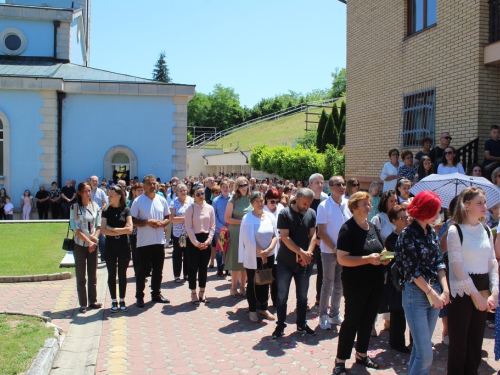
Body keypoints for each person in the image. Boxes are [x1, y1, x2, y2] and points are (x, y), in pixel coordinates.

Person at [333, 192, 390, 375]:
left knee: (367, 321)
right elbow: (342, 259)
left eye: (369, 204)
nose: (369, 207)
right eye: (365, 204)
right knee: (352, 321)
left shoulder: (371, 226)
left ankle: (362, 354)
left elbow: (380, 248)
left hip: (375, 282)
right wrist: (368, 259)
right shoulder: (347, 229)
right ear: (354, 207)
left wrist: (385, 256)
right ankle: (340, 362)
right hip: (356, 284)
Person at [394, 191, 450, 375]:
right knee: (426, 354)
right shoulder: (408, 234)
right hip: (416, 294)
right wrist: (431, 293)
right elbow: (412, 270)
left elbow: (439, 263)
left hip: (433, 291)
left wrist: (445, 290)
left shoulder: (431, 233)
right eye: (436, 211)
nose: (438, 214)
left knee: (419, 351)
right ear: (425, 210)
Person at [446, 187, 499, 375]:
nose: (484, 206)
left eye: (484, 202)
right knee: (459, 342)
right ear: (466, 205)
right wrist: (477, 296)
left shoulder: (486, 229)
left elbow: (492, 262)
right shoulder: (455, 230)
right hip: (463, 291)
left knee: (476, 341)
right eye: (479, 203)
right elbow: (459, 269)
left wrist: (494, 292)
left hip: (483, 286)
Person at [272, 188, 317, 339]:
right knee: (282, 296)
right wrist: (301, 253)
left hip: (304, 263)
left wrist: (308, 253)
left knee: (303, 296)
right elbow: (285, 237)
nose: (306, 207)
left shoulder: (311, 213)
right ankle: (280, 325)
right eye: (304, 203)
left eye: (309, 204)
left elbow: (313, 235)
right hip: (286, 262)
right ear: (296, 199)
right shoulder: (285, 214)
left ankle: (301, 324)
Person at [317, 176, 352, 331]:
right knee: (327, 284)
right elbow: (321, 232)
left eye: (343, 184)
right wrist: (335, 248)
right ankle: (323, 315)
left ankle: (334, 314)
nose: (342, 187)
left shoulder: (348, 204)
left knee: (339, 285)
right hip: (329, 252)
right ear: (330, 187)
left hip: (344, 252)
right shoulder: (324, 206)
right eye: (338, 184)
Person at [131, 174, 171, 308]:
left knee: (158, 270)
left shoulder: (162, 200)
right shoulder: (138, 201)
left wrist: (162, 223)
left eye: (154, 183)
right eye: (149, 184)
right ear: (144, 185)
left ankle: (156, 293)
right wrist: (147, 222)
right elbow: (133, 220)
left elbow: (167, 217)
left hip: (159, 241)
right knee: (142, 271)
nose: (152, 186)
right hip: (143, 242)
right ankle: (139, 296)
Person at [239, 191, 278, 322]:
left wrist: (268, 250)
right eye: (257, 201)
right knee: (253, 283)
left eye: (262, 201)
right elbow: (248, 239)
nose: (260, 204)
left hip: (269, 255)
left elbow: (275, 236)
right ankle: (252, 310)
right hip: (254, 255)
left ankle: (263, 308)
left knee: (266, 281)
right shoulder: (248, 218)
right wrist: (261, 252)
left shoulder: (270, 216)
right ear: (252, 203)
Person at [381, 205, 411, 353]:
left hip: (411, 280)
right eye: (402, 218)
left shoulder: (411, 234)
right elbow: (392, 259)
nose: (406, 220)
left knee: (413, 313)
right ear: (394, 221)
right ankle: (397, 343)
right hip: (397, 282)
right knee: (398, 313)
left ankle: (414, 342)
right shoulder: (392, 238)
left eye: (407, 217)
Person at [70, 182, 102, 314]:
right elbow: (75, 228)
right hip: (80, 245)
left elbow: (99, 225)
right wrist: (88, 241)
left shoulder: (95, 206)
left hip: (93, 244)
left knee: (93, 274)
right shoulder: (75, 208)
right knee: (81, 274)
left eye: (90, 191)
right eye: (85, 191)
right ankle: (83, 302)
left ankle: (92, 300)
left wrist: (93, 240)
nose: (88, 193)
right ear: (80, 193)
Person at [101, 185, 132, 313]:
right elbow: (103, 230)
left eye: (111, 196)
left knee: (122, 274)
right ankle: (114, 300)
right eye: (108, 195)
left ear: (119, 196)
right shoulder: (106, 210)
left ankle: (122, 299)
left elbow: (129, 229)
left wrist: (112, 229)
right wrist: (120, 231)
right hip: (110, 246)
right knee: (112, 273)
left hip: (124, 246)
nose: (108, 197)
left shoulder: (126, 210)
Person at [184, 185, 215, 304]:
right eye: (198, 194)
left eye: (202, 193)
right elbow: (188, 227)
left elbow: (212, 226)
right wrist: (196, 243)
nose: (201, 196)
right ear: (193, 196)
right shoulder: (190, 208)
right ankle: (193, 292)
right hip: (193, 240)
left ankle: (202, 291)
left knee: (203, 268)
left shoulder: (210, 208)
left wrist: (208, 240)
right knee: (193, 268)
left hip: (206, 239)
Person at [224, 177, 252, 297]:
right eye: (241, 185)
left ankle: (243, 287)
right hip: (236, 232)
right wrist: (243, 222)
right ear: (237, 187)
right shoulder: (233, 200)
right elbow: (227, 218)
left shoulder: (252, 198)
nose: (244, 187)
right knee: (236, 261)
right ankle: (233, 287)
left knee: (246, 262)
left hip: (249, 233)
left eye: (245, 185)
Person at [308, 173, 328, 306]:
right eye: (317, 183)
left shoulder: (326, 200)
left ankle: (320, 299)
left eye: (322, 182)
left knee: (322, 272)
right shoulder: (305, 200)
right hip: (308, 242)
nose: (320, 185)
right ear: (310, 185)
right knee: (306, 272)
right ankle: (304, 300)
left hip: (323, 242)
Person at [263, 188, 284, 306]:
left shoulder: (281, 209)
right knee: (265, 275)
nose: (275, 204)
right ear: (266, 200)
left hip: (279, 247)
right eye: (272, 201)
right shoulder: (262, 210)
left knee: (277, 276)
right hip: (266, 247)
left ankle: (276, 300)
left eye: (277, 201)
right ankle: (263, 301)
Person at [169, 183, 193, 283]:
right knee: (177, 254)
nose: (183, 192)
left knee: (188, 254)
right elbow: (172, 218)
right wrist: (184, 218)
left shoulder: (191, 201)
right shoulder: (173, 203)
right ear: (177, 192)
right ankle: (177, 275)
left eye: (184, 190)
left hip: (188, 232)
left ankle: (186, 274)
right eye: (181, 191)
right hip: (178, 233)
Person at [212, 181, 231, 277]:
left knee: (229, 249)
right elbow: (213, 215)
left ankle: (228, 267)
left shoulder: (233, 199)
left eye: (227, 187)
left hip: (230, 229)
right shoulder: (216, 200)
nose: (225, 188)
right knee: (219, 250)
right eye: (223, 187)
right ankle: (220, 268)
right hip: (219, 229)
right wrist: (220, 226)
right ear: (220, 188)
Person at [128, 183, 144, 277]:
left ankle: (146, 269)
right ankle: (137, 270)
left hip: (145, 230)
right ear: (134, 192)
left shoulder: (146, 201)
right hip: (134, 231)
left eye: (142, 190)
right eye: (139, 190)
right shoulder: (132, 202)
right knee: (135, 251)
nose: (141, 192)